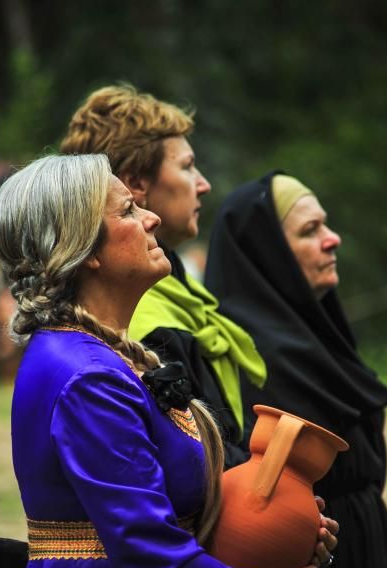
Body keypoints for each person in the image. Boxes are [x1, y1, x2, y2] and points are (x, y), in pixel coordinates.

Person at [0, 155, 341, 568]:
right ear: (84, 251)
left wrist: (279, 525)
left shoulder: (109, 356)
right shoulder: (86, 377)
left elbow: (165, 507)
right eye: (128, 210)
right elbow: (147, 544)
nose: (151, 220)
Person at [205, 172, 387, 568]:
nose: (332, 238)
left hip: (362, 557)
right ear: (266, 253)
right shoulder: (261, 356)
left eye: (327, 224)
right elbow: (271, 502)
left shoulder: (318, 338)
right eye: (309, 229)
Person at [60, 84, 266, 469]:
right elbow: (198, 465)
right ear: (136, 183)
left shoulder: (177, 292)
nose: (203, 184)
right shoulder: (140, 315)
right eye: (187, 166)